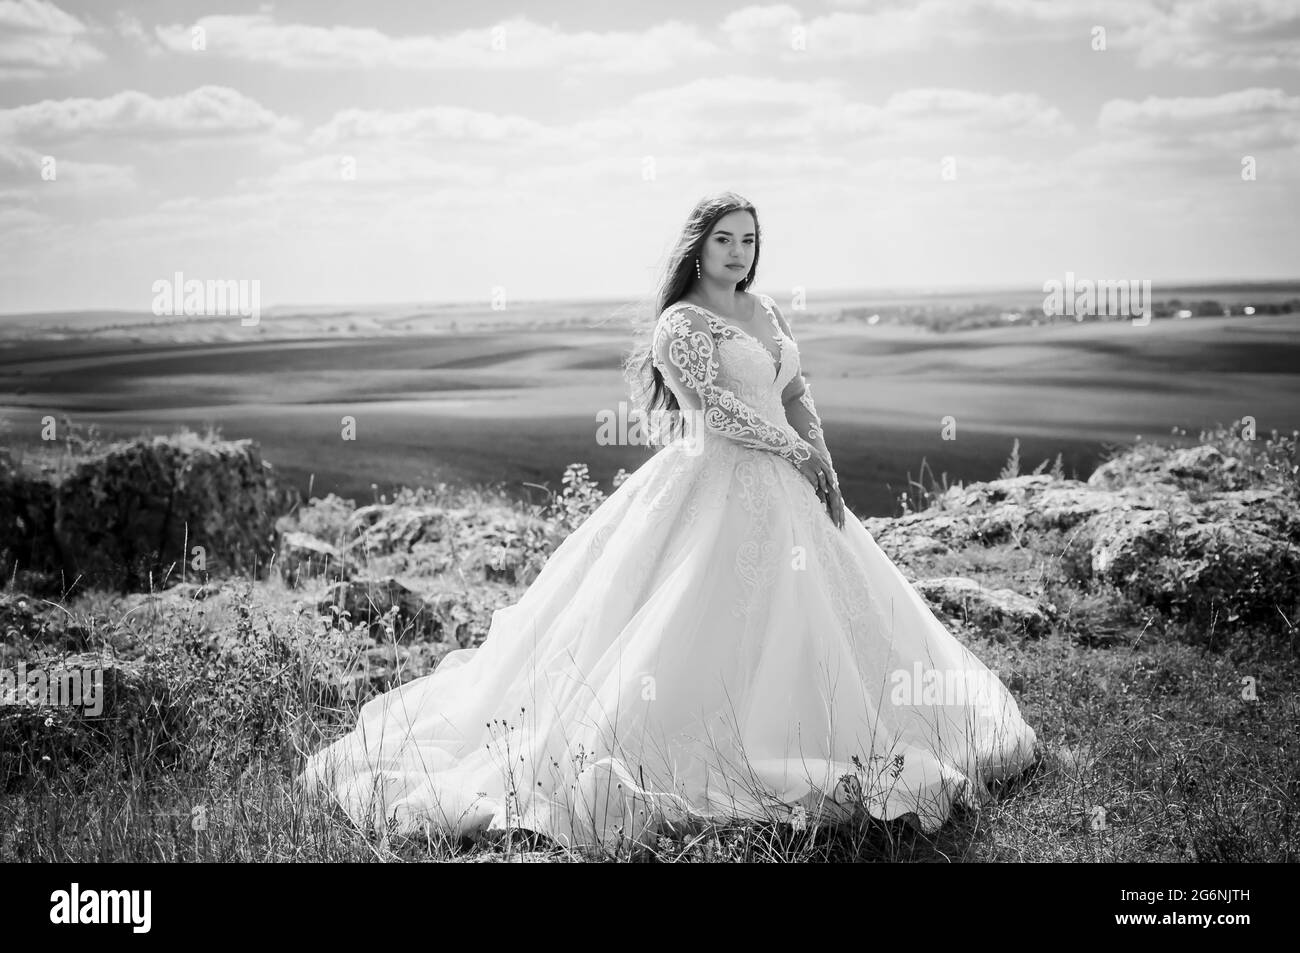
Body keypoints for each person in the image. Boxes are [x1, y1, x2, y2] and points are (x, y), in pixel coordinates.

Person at [297, 191, 1038, 848]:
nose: (739, 252)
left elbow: (794, 386)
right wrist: (792, 450)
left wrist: (822, 456)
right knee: (700, 618)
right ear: (698, 246)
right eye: (725, 239)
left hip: (793, 488)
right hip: (713, 485)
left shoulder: (766, 310)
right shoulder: (682, 324)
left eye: (749, 239)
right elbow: (711, 410)